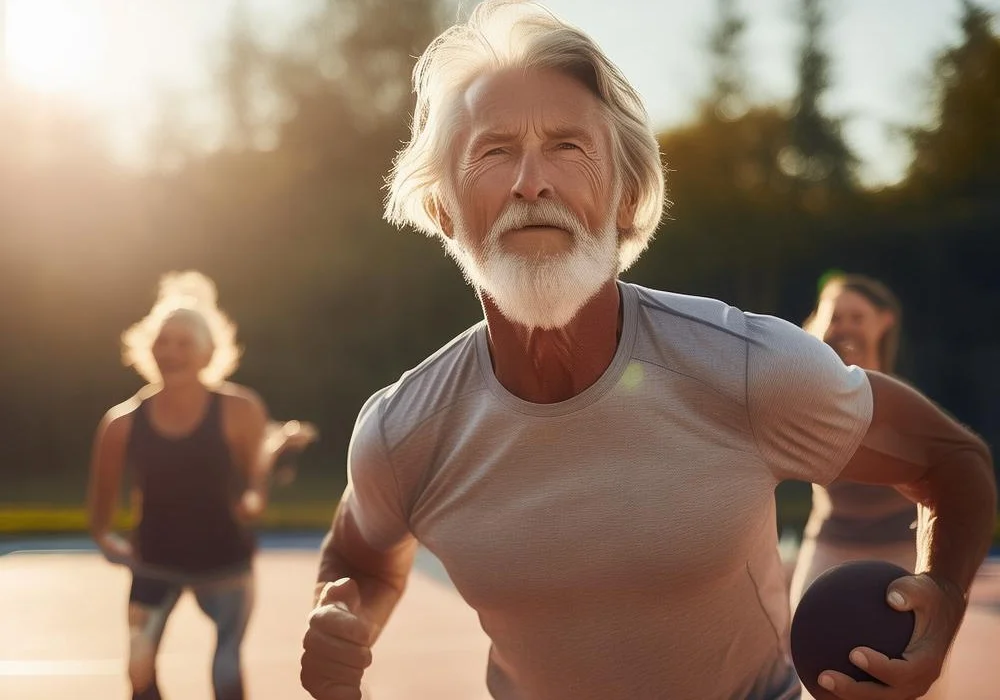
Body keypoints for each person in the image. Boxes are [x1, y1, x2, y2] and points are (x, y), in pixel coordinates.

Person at [299, 2, 996, 699]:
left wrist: (942, 600)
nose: (531, 181)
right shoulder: (402, 431)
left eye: (569, 146)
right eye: (494, 150)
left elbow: (950, 459)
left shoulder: (750, 368)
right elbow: (361, 557)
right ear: (446, 207)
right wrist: (337, 621)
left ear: (627, 197)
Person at [87, 270, 316, 700]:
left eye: (184, 343)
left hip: (224, 564)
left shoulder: (240, 409)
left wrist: (253, 498)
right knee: (138, 671)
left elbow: (254, 489)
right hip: (154, 561)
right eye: (163, 341)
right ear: (147, 347)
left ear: (209, 354)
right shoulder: (120, 424)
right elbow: (99, 517)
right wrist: (106, 542)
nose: (171, 351)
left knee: (226, 668)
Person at [788, 273, 947, 699]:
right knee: (816, 679)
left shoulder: (905, 402)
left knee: (913, 681)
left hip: (901, 555)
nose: (846, 326)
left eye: (857, 316)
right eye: (835, 316)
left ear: (884, 321)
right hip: (829, 550)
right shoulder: (801, 393)